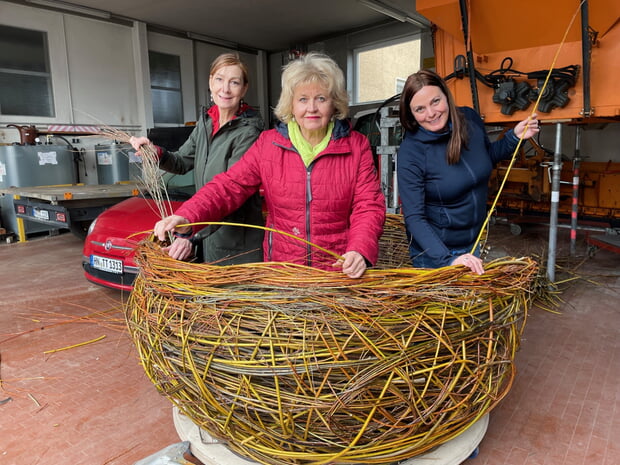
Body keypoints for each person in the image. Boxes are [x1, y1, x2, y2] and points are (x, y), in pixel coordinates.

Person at [153, 52, 386, 278]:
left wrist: (359, 249)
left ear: (334, 103)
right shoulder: (269, 144)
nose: (312, 108)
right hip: (283, 272)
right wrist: (188, 216)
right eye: (303, 99)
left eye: (321, 98)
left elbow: (369, 205)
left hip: (337, 271)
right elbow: (229, 186)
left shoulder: (356, 146)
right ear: (291, 104)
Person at [396, 69, 539, 274]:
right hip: (435, 255)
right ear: (410, 113)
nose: (431, 113)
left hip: (472, 245)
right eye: (420, 109)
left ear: (446, 95)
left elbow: (484, 157)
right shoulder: (411, 152)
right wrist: (448, 259)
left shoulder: (468, 120)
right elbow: (414, 218)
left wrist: (513, 137)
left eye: (435, 101)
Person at [130, 52, 264, 265]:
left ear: (244, 89)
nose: (225, 89)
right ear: (210, 82)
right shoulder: (206, 123)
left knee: (233, 296)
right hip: (209, 234)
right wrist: (156, 153)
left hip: (237, 243)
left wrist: (191, 234)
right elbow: (182, 162)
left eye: (234, 82)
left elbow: (231, 193)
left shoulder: (249, 132)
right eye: (219, 79)